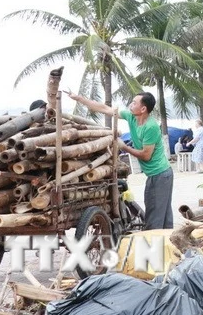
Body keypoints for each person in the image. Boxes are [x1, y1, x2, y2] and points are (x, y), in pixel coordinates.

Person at [64, 90, 174, 230]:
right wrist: (79, 98)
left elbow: (146, 155)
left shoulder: (150, 126)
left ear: (143, 109)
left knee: (155, 214)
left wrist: (124, 147)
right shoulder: (131, 117)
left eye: (134, 102)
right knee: (161, 212)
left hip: (160, 174)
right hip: (157, 174)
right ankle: (167, 245)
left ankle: (155, 246)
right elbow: (105, 108)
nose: (131, 104)